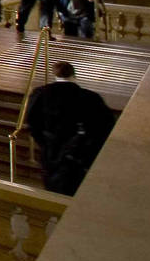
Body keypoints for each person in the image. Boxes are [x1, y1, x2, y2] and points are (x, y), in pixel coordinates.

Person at [25, 61, 116, 195]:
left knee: (52, 186)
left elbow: (32, 122)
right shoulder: (90, 97)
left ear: (54, 75)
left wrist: (44, 142)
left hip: (50, 149)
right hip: (78, 153)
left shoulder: (40, 93)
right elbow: (105, 125)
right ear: (74, 75)